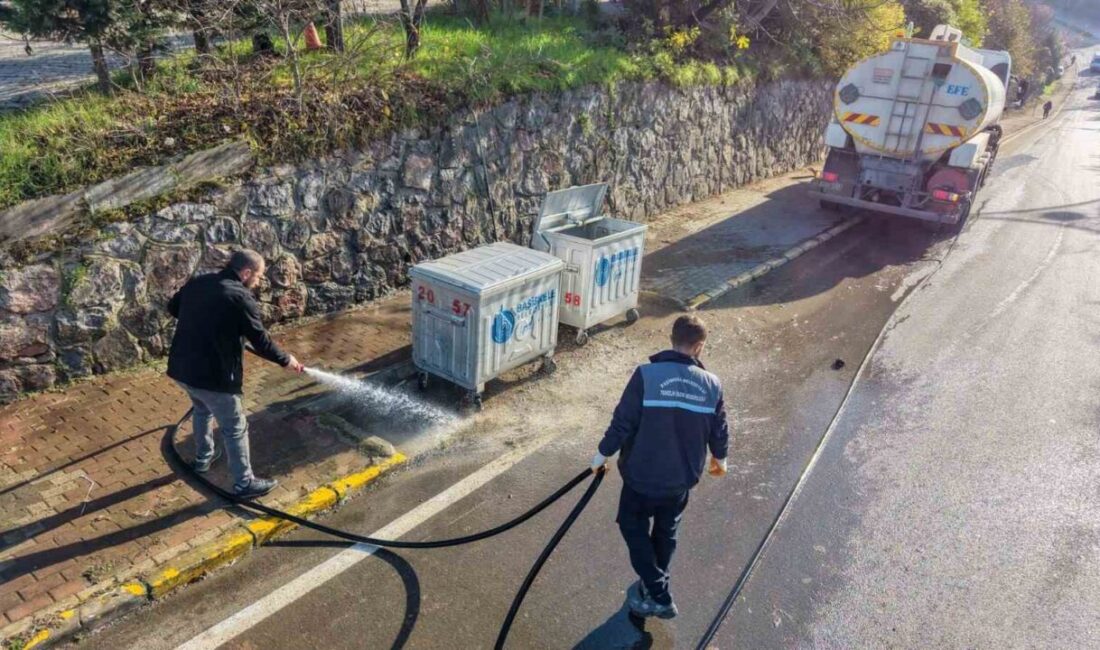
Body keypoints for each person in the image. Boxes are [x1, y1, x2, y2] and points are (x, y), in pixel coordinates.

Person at [591, 314, 730, 619]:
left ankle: (658, 591)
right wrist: (721, 459)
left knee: (632, 526)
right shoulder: (712, 385)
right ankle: (654, 584)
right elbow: (719, 429)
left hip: (641, 477)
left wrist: (603, 455)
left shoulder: (645, 376)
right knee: (665, 534)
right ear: (699, 347)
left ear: (671, 339)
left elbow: (623, 422)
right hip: (679, 481)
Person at [167, 249, 305, 498]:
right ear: (246, 272)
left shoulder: (199, 282)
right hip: (213, 377)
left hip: (182, 369)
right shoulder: (240, 297)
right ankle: (244, 483)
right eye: (259, 276)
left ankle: (203, 460)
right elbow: (261, 341)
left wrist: (209, 324)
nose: (260, 281)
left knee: (202, 409)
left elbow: (173, 308)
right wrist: (286, 360)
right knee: (234, 427)